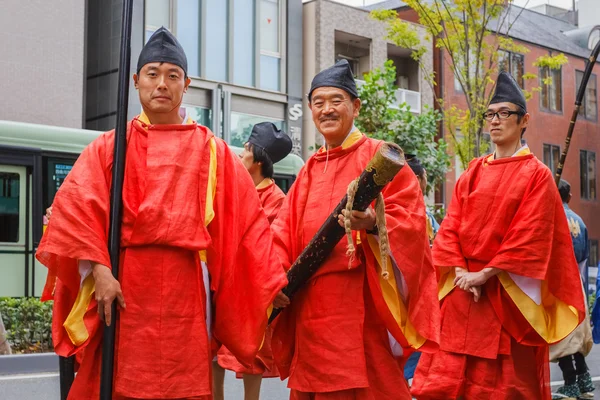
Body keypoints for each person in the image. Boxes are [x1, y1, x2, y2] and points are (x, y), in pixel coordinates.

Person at [36, 27, 287, 400]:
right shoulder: (109, 146)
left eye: (172, 76)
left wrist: (271, 282)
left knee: (182, 382)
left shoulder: (213, 150)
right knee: (119, 379)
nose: (162, 84)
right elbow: (75, 210)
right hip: (123, 283)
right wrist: (101, 270)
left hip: (186, 287)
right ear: (136, 81)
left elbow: (249, 226)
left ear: (186, 84)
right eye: (152, 74)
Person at [270, 59, 441, 399]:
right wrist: (274, 279)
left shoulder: (380, 156)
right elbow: (281, 232)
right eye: (319, 103)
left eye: (336, 100)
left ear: (356, 106)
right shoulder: (307, 172)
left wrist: (376, 225)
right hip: (310, 307)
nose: (327, 109)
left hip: (362, 306)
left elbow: (412, 220)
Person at [411, 71, 586, 399]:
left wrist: (486, 274)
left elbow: (531, 236)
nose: (495, 120)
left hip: (506, 296)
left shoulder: (536, 175)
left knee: (502, 388)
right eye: (490, 114)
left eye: (504, 113)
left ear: (524, 121)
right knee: (443, 384)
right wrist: (462, 272)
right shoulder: (473, 171)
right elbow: (450, 227)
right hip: (462, 295)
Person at [213, 122, 292, 400]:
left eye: (245, 150)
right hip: (225, 283)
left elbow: (272, 249)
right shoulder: (234, 188)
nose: (239, 155)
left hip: (253, 289)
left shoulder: (277, 200)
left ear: (258, 159)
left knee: (253, 356)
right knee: (214, 351)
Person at [551, 179, 594, 400]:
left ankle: (570, 382)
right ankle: (585, 379)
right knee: (575, 334)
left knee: (562, 334)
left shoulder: (550, 218)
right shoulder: (580, 222)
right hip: (576, 280)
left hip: (558, 280)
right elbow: (584, 261)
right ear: (569, 197)